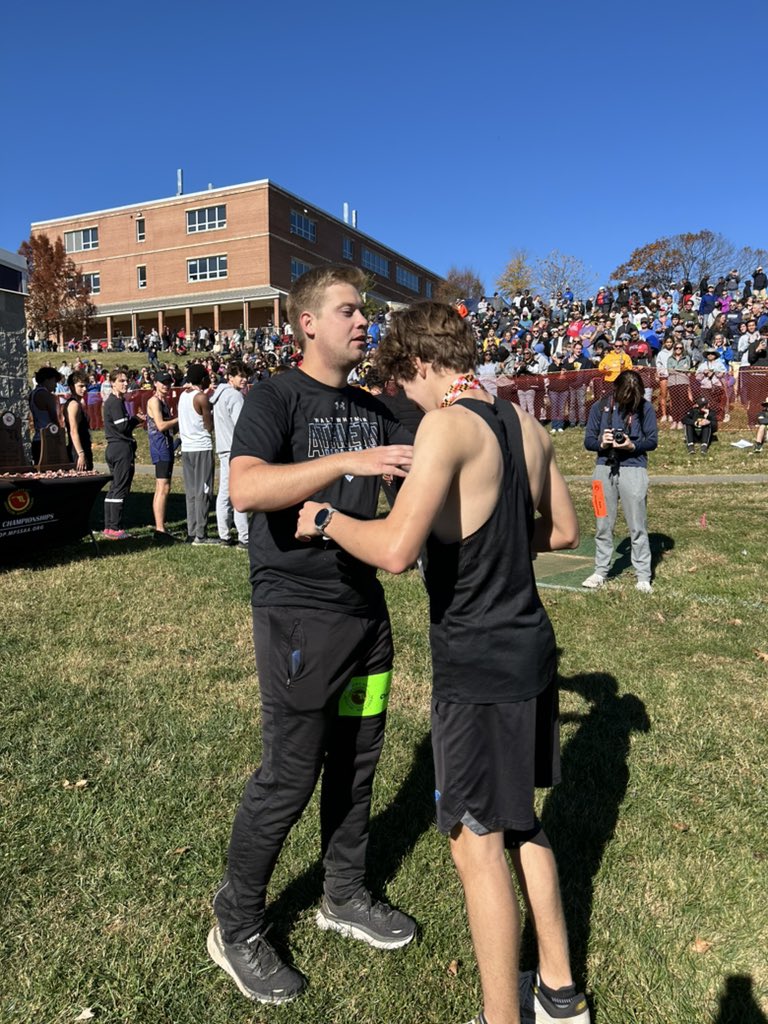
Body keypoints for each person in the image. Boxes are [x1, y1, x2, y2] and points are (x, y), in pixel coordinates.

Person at [295, 301, 587, 1024]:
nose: (405, 399)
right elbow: (565, 530)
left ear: (421, 364)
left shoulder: (447, 425)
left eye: (404, 386)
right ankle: (560, 992)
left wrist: (328, 519)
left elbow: (395, 550)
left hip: (478, 662)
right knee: (522, 822)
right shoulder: (524, 422)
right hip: (529, 645)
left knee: (475, 842)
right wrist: (486, 533)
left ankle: (501, 1017)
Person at [207, 265, 416, 1005]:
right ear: (306, 322)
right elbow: (247, 487)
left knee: (357, 763)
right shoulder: (276, 395)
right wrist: (346, 463)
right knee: (290, 774)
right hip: (298, 615)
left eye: (368, 314)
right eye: (351, 311)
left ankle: (343, 894)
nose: (364, 323)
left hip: (367, 617)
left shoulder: (375, 405)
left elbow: (443, 430)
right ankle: (234, 924)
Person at [582, 370, 658, 593]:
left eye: (634, 396)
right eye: (626, 396)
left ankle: (643, 575)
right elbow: (588, 441)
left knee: (637, 525)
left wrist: (632, 446)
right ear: (615, 389)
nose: (629, 401)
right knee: (602, 523)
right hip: (603, 469)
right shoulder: (600, 407)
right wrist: (602, 443)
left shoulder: (645, 408)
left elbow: (652, 441)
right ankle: (600, 571)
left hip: (634, 469)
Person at [210, 359, 251, 548]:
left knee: (225, 492)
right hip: (235, 449)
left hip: (224, 447)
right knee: (237, 492)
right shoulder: (234, 396)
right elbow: (242, 426)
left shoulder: (218, 395)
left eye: (246, 376)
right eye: (241, 376)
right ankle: (244, 537)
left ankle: (224, 534)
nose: (244, 380)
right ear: (230, 377)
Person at [103, 369, 145, 539]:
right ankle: (114, 527)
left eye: (126, 381)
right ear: (112, 383)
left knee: (114, 488)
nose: (125, 384)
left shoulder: (114, 401)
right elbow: (122, 427)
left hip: (114, 447)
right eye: (121, 381)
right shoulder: (114, 402)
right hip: (120, 448)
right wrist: (136, 419)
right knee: (120, 488)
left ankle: (109, 526)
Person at [178, 364, 215, 545]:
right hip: (201, 446)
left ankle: (192, 531)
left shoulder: (182, 396)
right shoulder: (201, 398)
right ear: (202, 379)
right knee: (204, 490)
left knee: (191, 492)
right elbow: (209, 426)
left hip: (187, 448)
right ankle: (201, 533)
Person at [146, 372, 179, 539]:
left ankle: (161, 527)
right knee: (162, 487)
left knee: (165, 487)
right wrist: (180, 419)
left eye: (168, 382)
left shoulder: (164, 401)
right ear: (155, 383)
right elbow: (160, 425)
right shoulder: (154, 401)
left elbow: (169, 426)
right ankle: (159, 529)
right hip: (160, 447)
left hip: (166, 446)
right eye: (163, 382)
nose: (166, 385)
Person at [29, 367, 63, 464]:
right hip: (47, 439)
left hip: (37, 438)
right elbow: (54, 417)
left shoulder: (33, 393)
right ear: (47, 379)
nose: (55, 385)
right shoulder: (45, 395)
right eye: (54, 381)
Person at [64, 371, 93, 470]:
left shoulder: (78, 403)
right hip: (77, 450)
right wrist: (81, 454)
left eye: (85, 386)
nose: (84, 389)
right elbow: (73, 431)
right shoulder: (73, 405)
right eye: (81, 386)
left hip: (83, 447)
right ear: (72, 387)